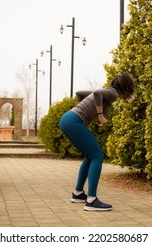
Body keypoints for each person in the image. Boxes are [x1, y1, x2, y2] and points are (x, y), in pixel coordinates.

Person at [59, 72, 135, 211]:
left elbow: (79, 93)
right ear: (125, 88)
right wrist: (99, 116)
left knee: (90, 156)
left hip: (68, 119)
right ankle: (92, 200)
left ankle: (78, 193)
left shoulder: (108, 92)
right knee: (97, 155)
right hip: (73, 121)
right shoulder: (113, 93)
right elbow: (97, 94)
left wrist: (86, 113)